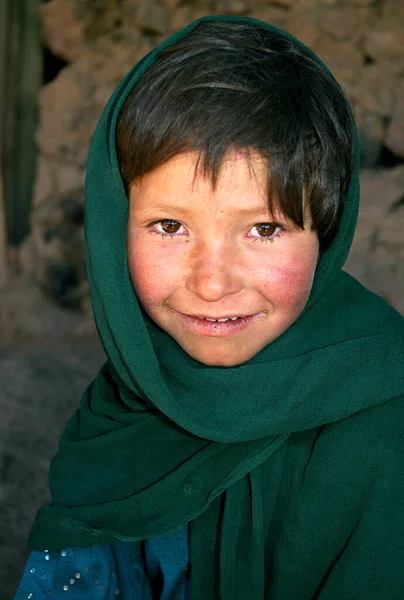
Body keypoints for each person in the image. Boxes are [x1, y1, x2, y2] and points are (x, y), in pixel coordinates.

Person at [14, 14, 404, 600]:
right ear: (113, 226)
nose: (213, 284)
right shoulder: (121, 412)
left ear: (327, 231)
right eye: (169, 226)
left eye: (265, 229)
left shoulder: (385, 424)